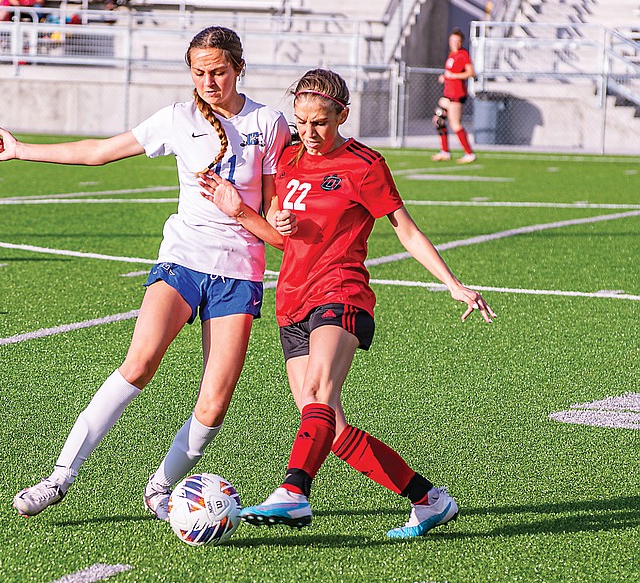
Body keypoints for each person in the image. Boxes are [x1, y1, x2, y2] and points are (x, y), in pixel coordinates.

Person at [0, 26, 293, 520]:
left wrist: (257, 214)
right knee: (139, 363)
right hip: (182, 259)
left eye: (218, 71)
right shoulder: (177, 119)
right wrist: (22, 150)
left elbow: (277, 229)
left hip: (240, 272)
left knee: (214, 403)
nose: (209, 81)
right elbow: (101, 152)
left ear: (238, 67)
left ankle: (161, 486)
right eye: (199, 72)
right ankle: (60, 476)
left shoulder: (270, 123)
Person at [201, 68, 495, 539]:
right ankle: (428, 499)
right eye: (300, 122)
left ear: (342, 114)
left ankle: (294, 492)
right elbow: (280, 237)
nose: (308, 133)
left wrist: (453, 283)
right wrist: (246, 213)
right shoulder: (290, 159)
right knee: (328, 429)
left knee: (317, 394)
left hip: (341, 292)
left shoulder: (365, 164)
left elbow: (406, 229)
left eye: (319, 122)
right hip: (292, 300)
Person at [433, 28, 477, 164]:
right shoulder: (452, 54)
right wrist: (445, 77)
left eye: (458, 41)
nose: (455, 43)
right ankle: (445, 152)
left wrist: (454, 76)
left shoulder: (463, 55)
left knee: (455, 124)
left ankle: (469, 153)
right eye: (453, 40)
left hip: (457, 95)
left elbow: (471, 73)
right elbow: (450, 72)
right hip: (448, 95)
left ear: (461, 42)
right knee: (438, 120)